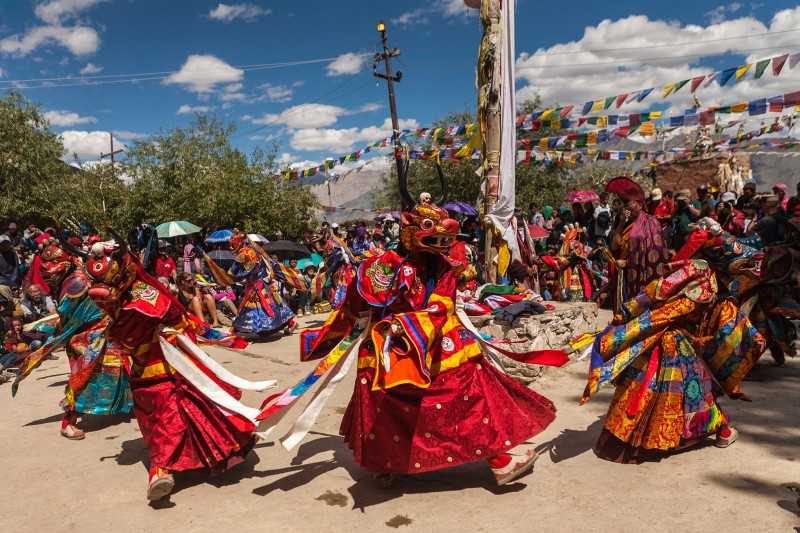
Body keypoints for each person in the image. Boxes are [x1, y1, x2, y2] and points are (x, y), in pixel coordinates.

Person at [260, 191, 568, 487]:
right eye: (432, 238)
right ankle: (387, 464)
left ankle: (496, 460)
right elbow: (356, 302)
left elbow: (442, 305)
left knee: (470, 391)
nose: (441, 246)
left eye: (444, 240)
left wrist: (413, 322)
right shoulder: (381, 267)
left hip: (436, 343)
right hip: (390, 348)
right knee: (391, 403)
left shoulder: (447, 266)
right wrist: (334, 336)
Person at [83, 237, 277, 501]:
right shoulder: (111, 296)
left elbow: (170, 316)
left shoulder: (144, 292)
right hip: (143, 366)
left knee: (180, 409)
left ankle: (167, 467)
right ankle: (168, 465)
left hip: (168, 362)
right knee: (161, 415)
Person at [582, 259, 761, 463]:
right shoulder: (691, 298)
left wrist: (621, 324)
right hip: (675, 346)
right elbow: (657, 319)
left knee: (644, 391)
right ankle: (722, 431)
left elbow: (640, 310)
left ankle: (625, 439)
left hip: (659, 345)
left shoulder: (665, 291)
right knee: (698, 393)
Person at [606, 176, 669, 316]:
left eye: (628, 203)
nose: (626, 207)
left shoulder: (650, 223)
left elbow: (653, 254)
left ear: (640, 204)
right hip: (623, 277)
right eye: (624, 204)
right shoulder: (625, 224)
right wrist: (621, 223)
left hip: (642, 275)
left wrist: (628, 263)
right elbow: (615, 247)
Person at [228, 232, 296, 340]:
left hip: (256, 285)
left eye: (233, 244)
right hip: (264, 284)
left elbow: (235, 271)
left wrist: (229, 276)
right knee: (274, 305)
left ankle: (235, 329)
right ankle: (291, 322)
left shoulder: (245, 253)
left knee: (249, 307)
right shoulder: (260, 253)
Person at [0, 235, 20, 306]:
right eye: (3, 244)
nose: (5, 245)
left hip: (15, 280)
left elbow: (17, 268)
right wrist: (10, 283)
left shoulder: (13, 253)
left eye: (7, 243)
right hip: (4, 282)